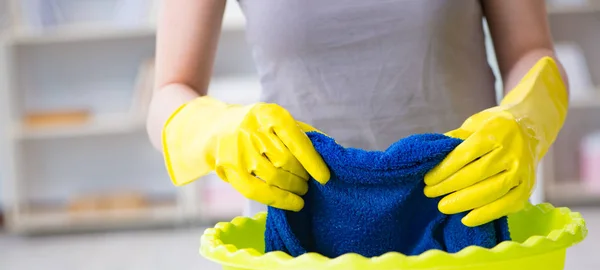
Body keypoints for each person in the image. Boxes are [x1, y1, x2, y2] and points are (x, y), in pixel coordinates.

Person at [147, 0, 569, 227]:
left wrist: (524, 119)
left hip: (465, 218)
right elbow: (169, 91)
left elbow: (531, 50)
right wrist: (217, 130)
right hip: (302, 240)